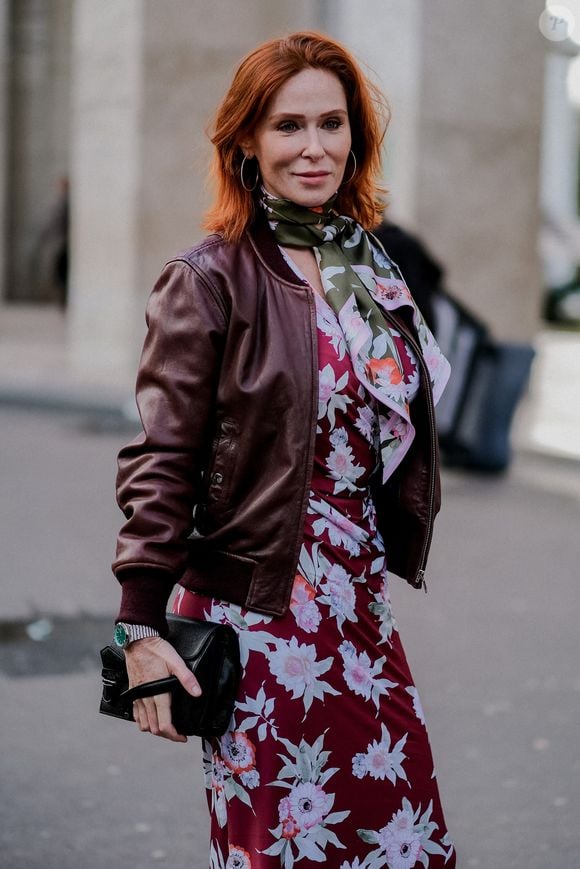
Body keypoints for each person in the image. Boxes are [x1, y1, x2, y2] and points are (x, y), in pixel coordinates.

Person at [112, 31, 456, 868]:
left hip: (354, 600)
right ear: (246, 142)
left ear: (356, 137)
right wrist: (138, 629)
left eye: (332, 124)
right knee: (287, 843)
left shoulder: (370, 264)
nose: (314, 147)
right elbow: (163, 454)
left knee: (403, 833)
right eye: (288, 126)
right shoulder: (209, 276)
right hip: (256, 607)